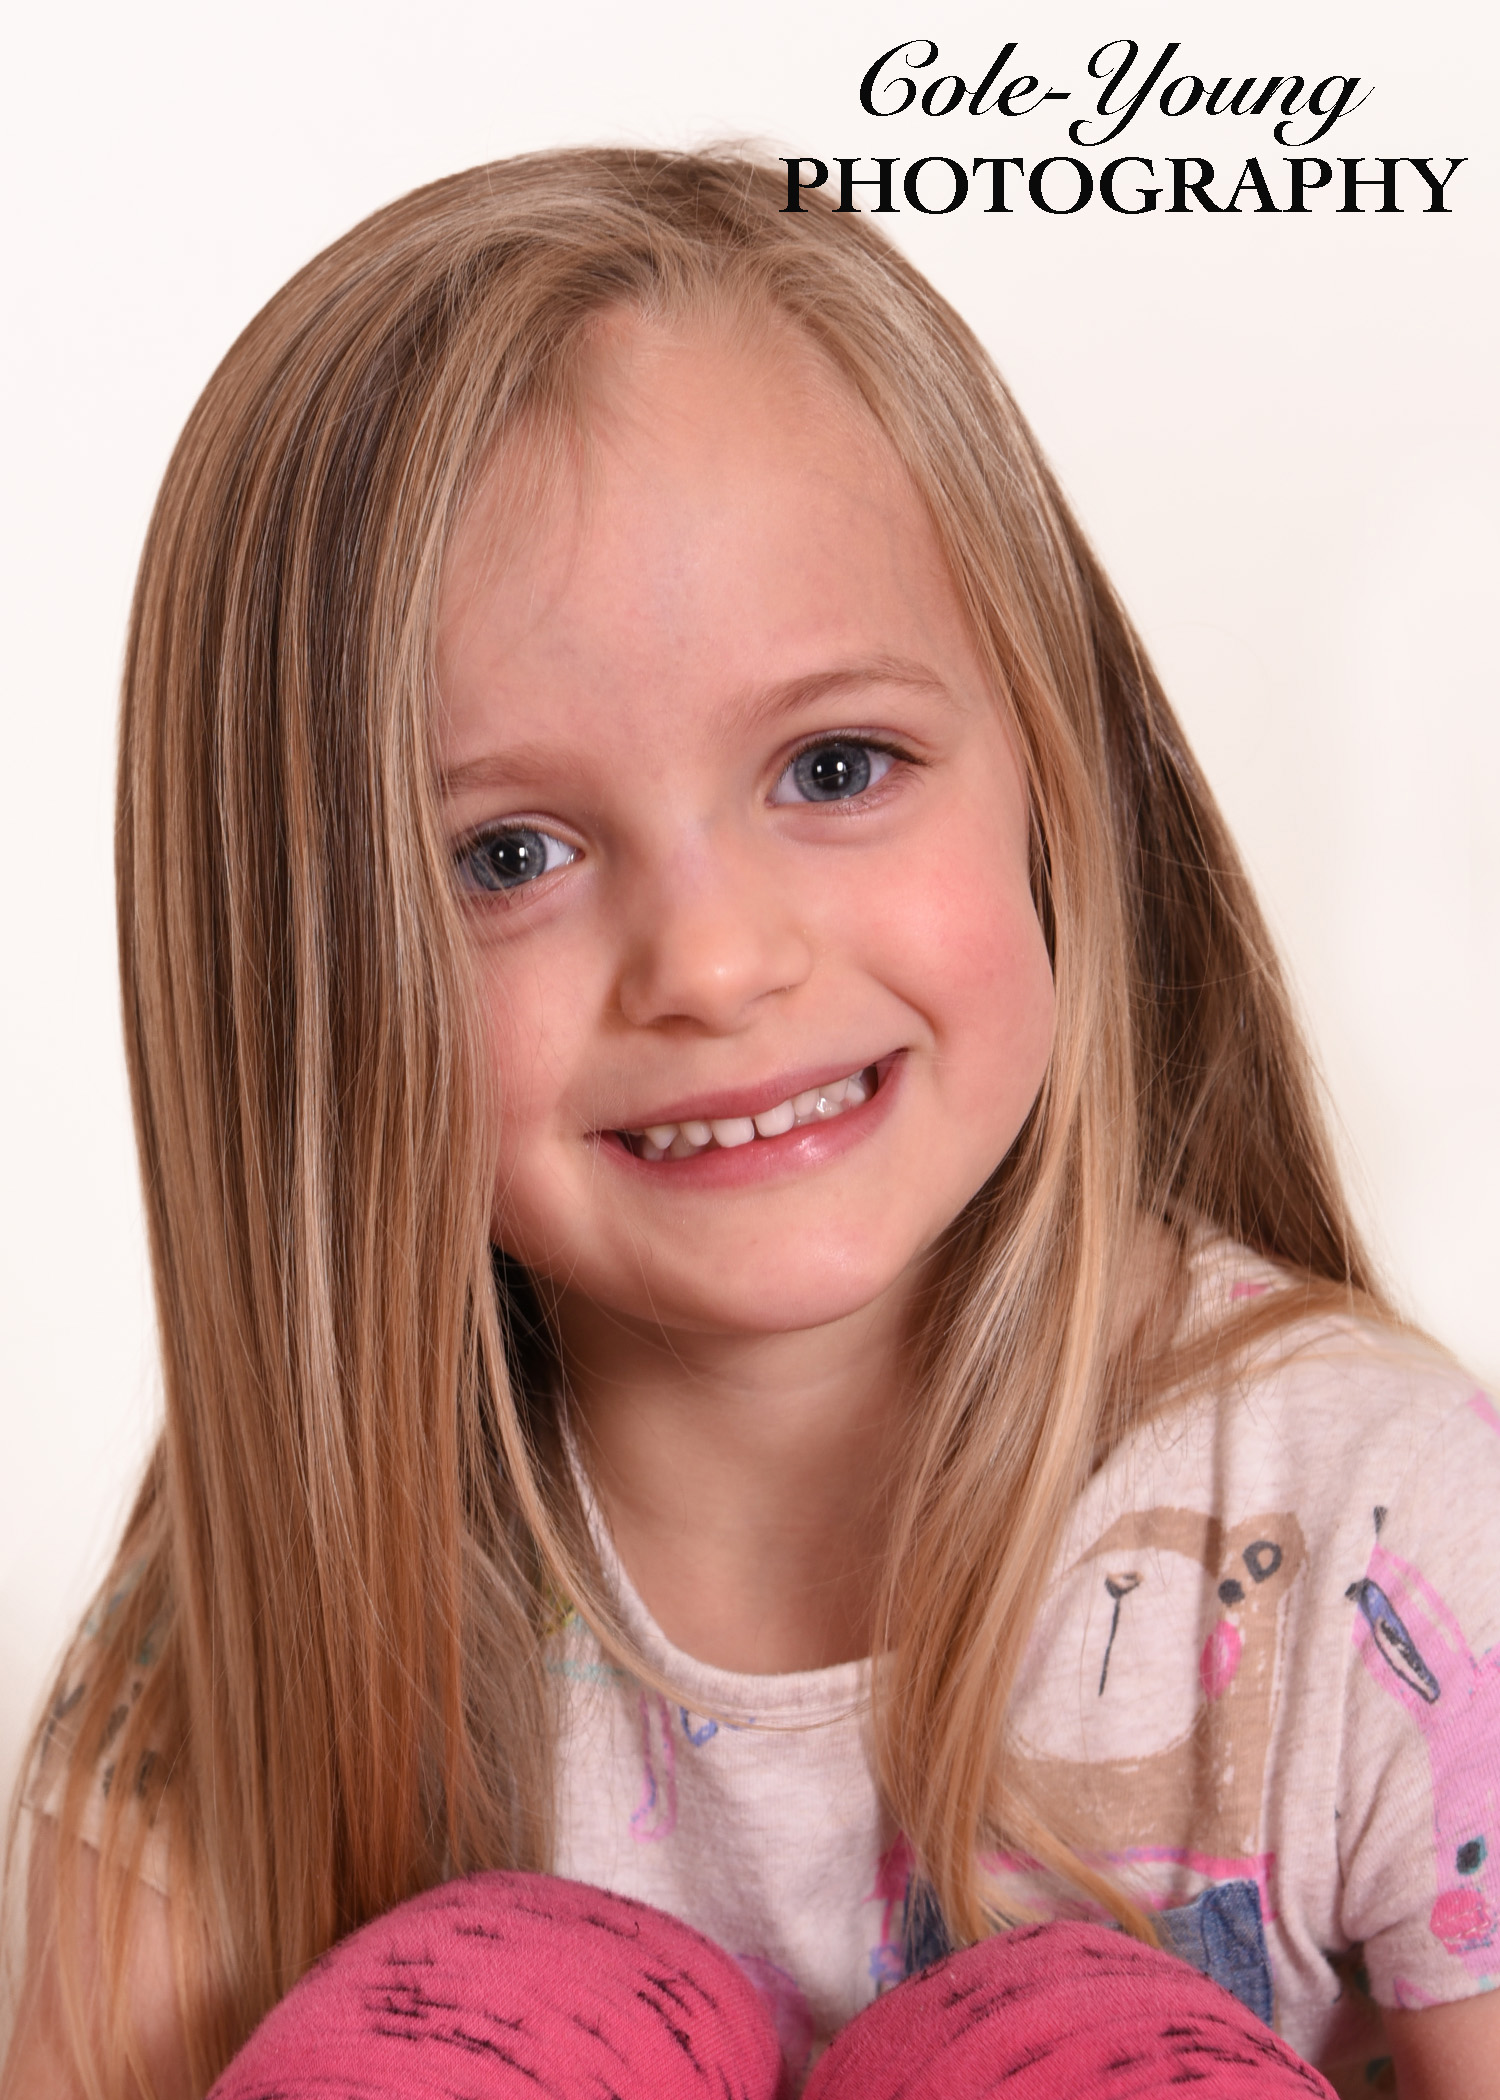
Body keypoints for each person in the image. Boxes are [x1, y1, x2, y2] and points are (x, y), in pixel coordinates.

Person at [2, 148, 1496, 2100]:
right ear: (307, 987)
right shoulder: (277, 1591)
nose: (710, 963)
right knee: (470, 2023)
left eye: (837, 765)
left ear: (1063, 777)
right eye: (507, 857)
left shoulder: (1388, 1538)